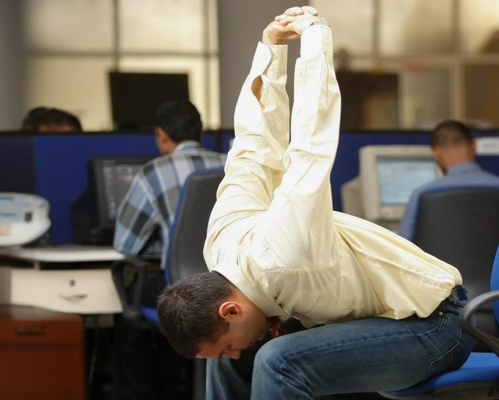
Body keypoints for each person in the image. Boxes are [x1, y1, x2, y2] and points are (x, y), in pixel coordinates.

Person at [156, 7, 474, 400]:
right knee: (229, 361)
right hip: (372, 318)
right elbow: (252, 149)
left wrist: (315, 40)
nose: (238, 346)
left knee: (276, 359)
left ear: (230, 310)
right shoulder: (221, 246)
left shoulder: (284, 255)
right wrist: (270, 52)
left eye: (229, 339)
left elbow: (311, 143)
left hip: (432, 325)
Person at [112, 99, 227, 400]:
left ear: (162, 134)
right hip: (232, 286)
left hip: (183, 289)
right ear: (199, 134)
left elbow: (126, 244)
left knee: (131, 316)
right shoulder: (232, 165)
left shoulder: (152, 173)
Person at [397, 119, 499, 240]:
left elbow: (403, 247)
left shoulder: (421, 194)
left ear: (436, 153)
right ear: (474, 145)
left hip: (437, 260)